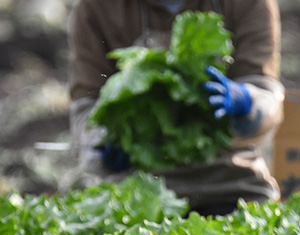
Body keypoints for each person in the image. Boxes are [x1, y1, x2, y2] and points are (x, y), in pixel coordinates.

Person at [68, 0, 285, 216]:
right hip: (135, 191)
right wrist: (102, 145)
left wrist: (247, 101)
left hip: (230, 184)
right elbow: (86, 107)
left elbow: (268, 97)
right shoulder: (95, 7)